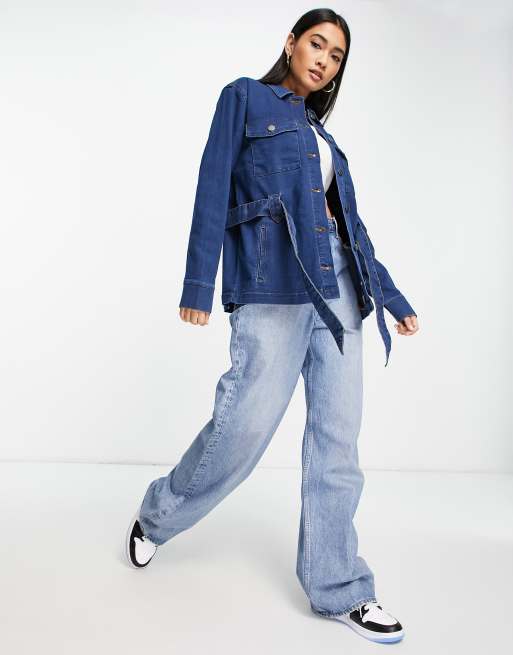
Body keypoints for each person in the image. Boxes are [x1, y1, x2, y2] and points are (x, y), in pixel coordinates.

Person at [125, 8, 419, 645]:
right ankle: (157, 515)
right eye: (317, 44)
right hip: (273, 288)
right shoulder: (244, 98)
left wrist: (392, 296)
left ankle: (340, 587)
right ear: (290, 43)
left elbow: (350, 229)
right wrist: (198, 284)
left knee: (338, 444)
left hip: (340, 295)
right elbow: (212, 188)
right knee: (244, 429)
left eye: (336, 56)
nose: (324, 61)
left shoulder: (323, 138)